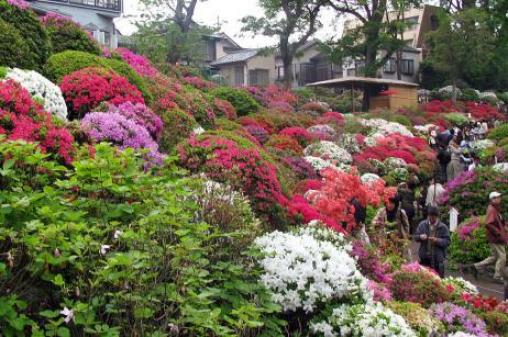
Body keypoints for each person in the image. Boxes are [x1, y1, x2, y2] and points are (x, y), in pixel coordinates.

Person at [472, 192, 508, 283]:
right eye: (497, 197)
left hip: (495, 237)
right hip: (496, 238)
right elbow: (488, 223)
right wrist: (498, 233)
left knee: (494, 257)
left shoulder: (495, 208)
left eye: (499, 197)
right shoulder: (492, 209)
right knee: (502, 257)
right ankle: (497, 276)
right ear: (493, 199)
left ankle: (476, 266)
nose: (500, 199)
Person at [413, 206, 450, 278]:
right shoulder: (422, 224)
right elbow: (415, 237)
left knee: (438, 279)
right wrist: (420, 237)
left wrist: (437, 240)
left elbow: (447, 241)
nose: (431, 219)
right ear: (428, 215)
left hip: (437, 259)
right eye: (430, 216)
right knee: (424, 279)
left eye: (433, 217)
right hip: (424, 257)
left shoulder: (443, 227)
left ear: (437, 216)